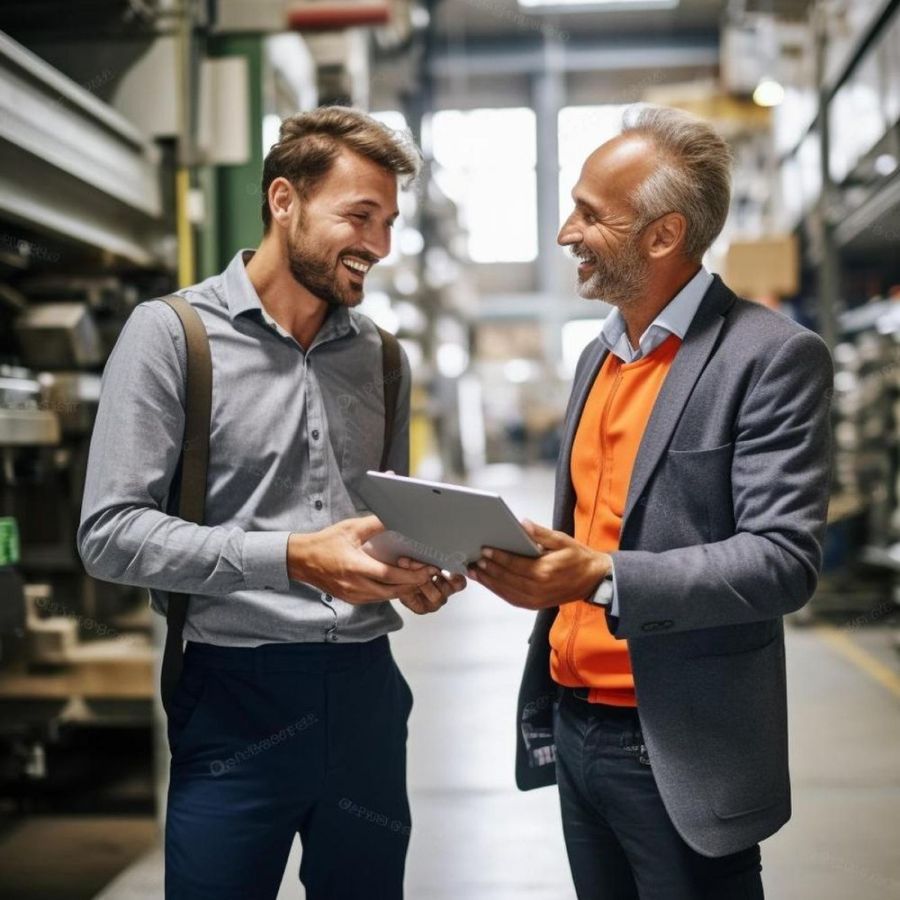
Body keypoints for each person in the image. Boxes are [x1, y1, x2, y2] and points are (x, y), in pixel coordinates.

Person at [77, 106, 466, 899]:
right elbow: (109, 534)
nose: (380, 245)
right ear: (283, 200)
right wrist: (291, 556)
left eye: (389, 221)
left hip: (366, 694)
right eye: (359, 216)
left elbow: (387, 525)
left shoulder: (383, 360)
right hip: (232, 699)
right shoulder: (171, 337)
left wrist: (416, 570)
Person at [469, 106, 833, 899]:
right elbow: (588, 528)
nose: (567, 231)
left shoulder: (768, 358)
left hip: (676, 742)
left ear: (663, 236)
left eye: (592, 215)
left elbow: (783, 560)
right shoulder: (597, 356)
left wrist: (600, 576)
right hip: (576, 729)